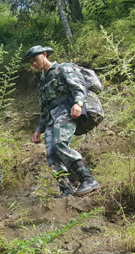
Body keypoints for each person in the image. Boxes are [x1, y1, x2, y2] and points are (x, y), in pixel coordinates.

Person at [23, 45, 100, 197]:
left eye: (36, 59)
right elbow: (44, 108)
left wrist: (78, 103)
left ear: (44, 55)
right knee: (51, 154)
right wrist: (39, 129)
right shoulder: (42, 83)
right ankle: (65, 188)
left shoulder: (62, 69)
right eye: (31, 62)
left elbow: (78, 87)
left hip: (67, 110)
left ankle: (88, 178)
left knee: (59, 144)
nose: (34, 64)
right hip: (52, 117)